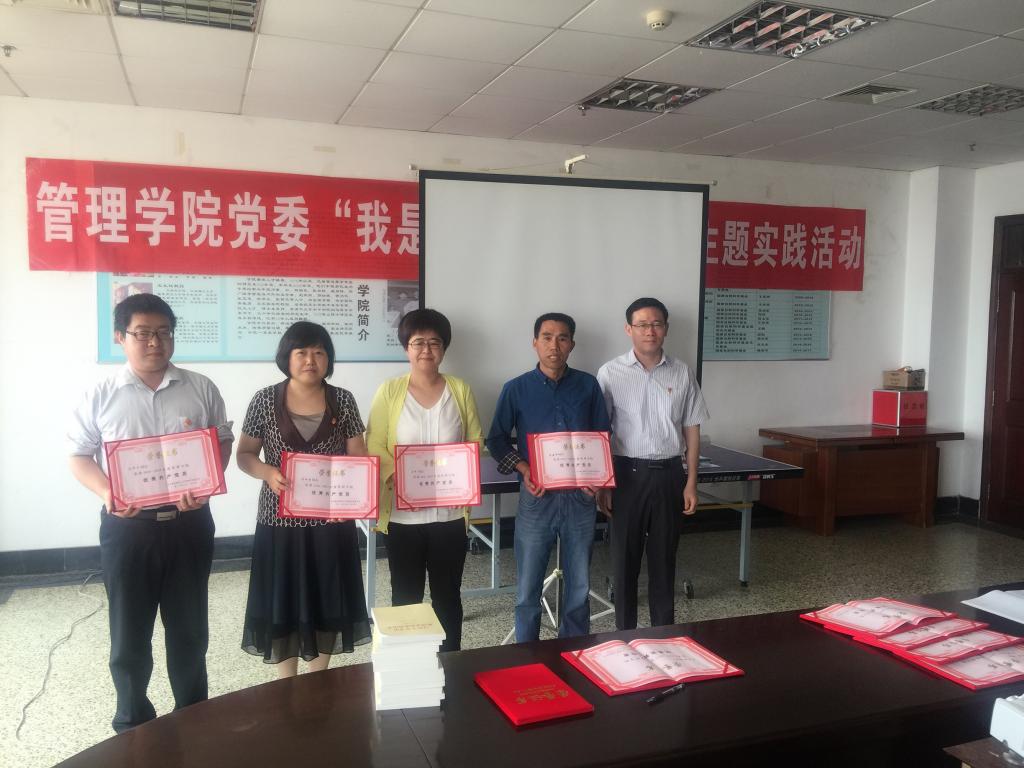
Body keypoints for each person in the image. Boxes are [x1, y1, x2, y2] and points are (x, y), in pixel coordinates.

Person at [68, 293, 234, 733]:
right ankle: (132, 721)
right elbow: (79, 456)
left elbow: (221, 441)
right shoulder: (100, 394)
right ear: (121, 337)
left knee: (190, 630)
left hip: (189, 524)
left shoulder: (200, 387)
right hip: (128, 528)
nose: (155, 342)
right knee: (128, 633)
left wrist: (207, 482)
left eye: (163, 332)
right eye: (142, 333)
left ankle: (193, 713)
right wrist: (108, 491)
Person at [236, 321, 371, 677]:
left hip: (331, 521)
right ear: (287, 357)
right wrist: (267, 473)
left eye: (319, 352)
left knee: (327, 595)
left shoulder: (342, 399)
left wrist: (352, 501)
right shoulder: (265, 399)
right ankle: (286, 682)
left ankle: (318, 678)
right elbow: (245, 455)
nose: (311, 360)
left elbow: (358, 457)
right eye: (302, 352)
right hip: (278, 520)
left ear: (328, 358)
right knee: (283, 599)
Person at [486, 313, 610, 643]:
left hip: (581, 498)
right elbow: (496, 440)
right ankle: (527, 653)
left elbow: (602, 435)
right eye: (547, 337)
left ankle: (574, 649)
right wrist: (524, 469)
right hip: (536, 497)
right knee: (528, 587)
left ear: (572, 344)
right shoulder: (515, 389)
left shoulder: (588, 386)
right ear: (535, 343)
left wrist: (597, 479)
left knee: (579, 586)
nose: (554, 345)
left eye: (562, 338)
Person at [366, 309, 483, 652]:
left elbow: (475, 440)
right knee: (406, 596)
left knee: (448, 595)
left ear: (444, 348)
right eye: (418, 342)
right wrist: (398, 475)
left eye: (434, 342)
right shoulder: (390, 391)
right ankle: (408, 665)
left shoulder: (460, 389)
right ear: (406, 348)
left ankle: (451, 663)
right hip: (403, 517)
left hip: (450, 515)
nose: (426, 350)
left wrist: (463, 473)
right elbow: (374, 442)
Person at [596, 297, 710, 631]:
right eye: (642, 324)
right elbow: (600, 432)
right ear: (628, 329)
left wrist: (691, 482)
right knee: (625, 562)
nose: (650, 331)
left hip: (669, 476)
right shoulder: (610, 373)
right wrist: (604, 483)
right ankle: (625, 637)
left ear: (666, 329)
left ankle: (664, 635)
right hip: (625, 476)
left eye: (656, 324)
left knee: (664, 561)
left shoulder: (682, 372)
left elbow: (691, 428)